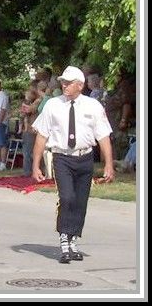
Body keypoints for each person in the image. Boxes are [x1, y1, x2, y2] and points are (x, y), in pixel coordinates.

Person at [31, 65, 114, 264]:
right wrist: (36, 165)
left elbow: (103, 137)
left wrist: (109, 164)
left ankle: (73, 238)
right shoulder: (53, 105)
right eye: (63, 82)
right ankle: (64, 239)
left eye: (68, 83)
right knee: (66, 197)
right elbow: (42, 135)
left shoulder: (93, 106)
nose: (64, 86)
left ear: (80, 85)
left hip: (85, 157)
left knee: (80, 201)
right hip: (63, 157)